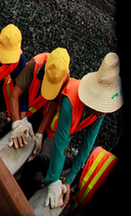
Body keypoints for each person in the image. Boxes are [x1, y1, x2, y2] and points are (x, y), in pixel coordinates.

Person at [42, 52, 123, 209]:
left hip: (62, 133)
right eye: (101, 108)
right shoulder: (69, 101)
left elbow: (88, 143)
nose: (102, 113)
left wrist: (69, 180)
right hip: (47, 122)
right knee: (44, 157)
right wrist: (54, 181)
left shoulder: (100, 111)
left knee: (52, 165)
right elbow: (60, 143)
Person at [3, 48, 70, 157]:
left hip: (35, 108)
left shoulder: (63, 77)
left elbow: (52, 108)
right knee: (10, 128)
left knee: (27, 135)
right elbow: (15, 95)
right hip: (16, 98)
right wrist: (17, 123)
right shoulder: (35, 64)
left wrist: (39, 134)